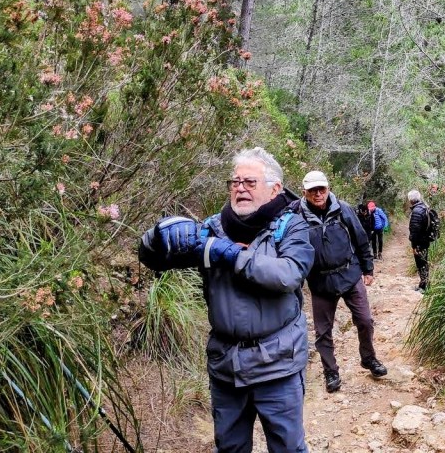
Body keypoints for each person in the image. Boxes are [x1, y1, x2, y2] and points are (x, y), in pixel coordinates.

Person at [137, 147, 314, 453]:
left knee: (288, 448)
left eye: (250, 182)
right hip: (226, 366)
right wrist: (155, 237)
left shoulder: (292, 226)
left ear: (274, 189)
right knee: (230, 448)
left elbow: (288, 275)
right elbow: (156, 260)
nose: (240, 188)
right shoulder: (212, 228)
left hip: (278, 365)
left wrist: (232, 254)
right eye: (235, 182)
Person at [292, 171, 387, 393]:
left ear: (328, 189)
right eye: (313, 190)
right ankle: (330, 371)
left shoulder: (343, 209)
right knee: (323, 331)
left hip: (349, 274)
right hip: (320, 281)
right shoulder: (296, 216)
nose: (318, 194)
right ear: (304, 192)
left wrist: (368, 268)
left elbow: (361, 238)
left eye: (322, 189)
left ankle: (369, 358)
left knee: (365, 320)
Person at [407, 189, 432, 293]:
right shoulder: (424, 207)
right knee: (423, 262)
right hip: (425, 240)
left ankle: (424, 287)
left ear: (411, 200)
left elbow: (414, 231)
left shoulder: (417, 211)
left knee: (421, 263)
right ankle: (423, 284)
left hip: (420, 243)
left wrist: (414, 246)